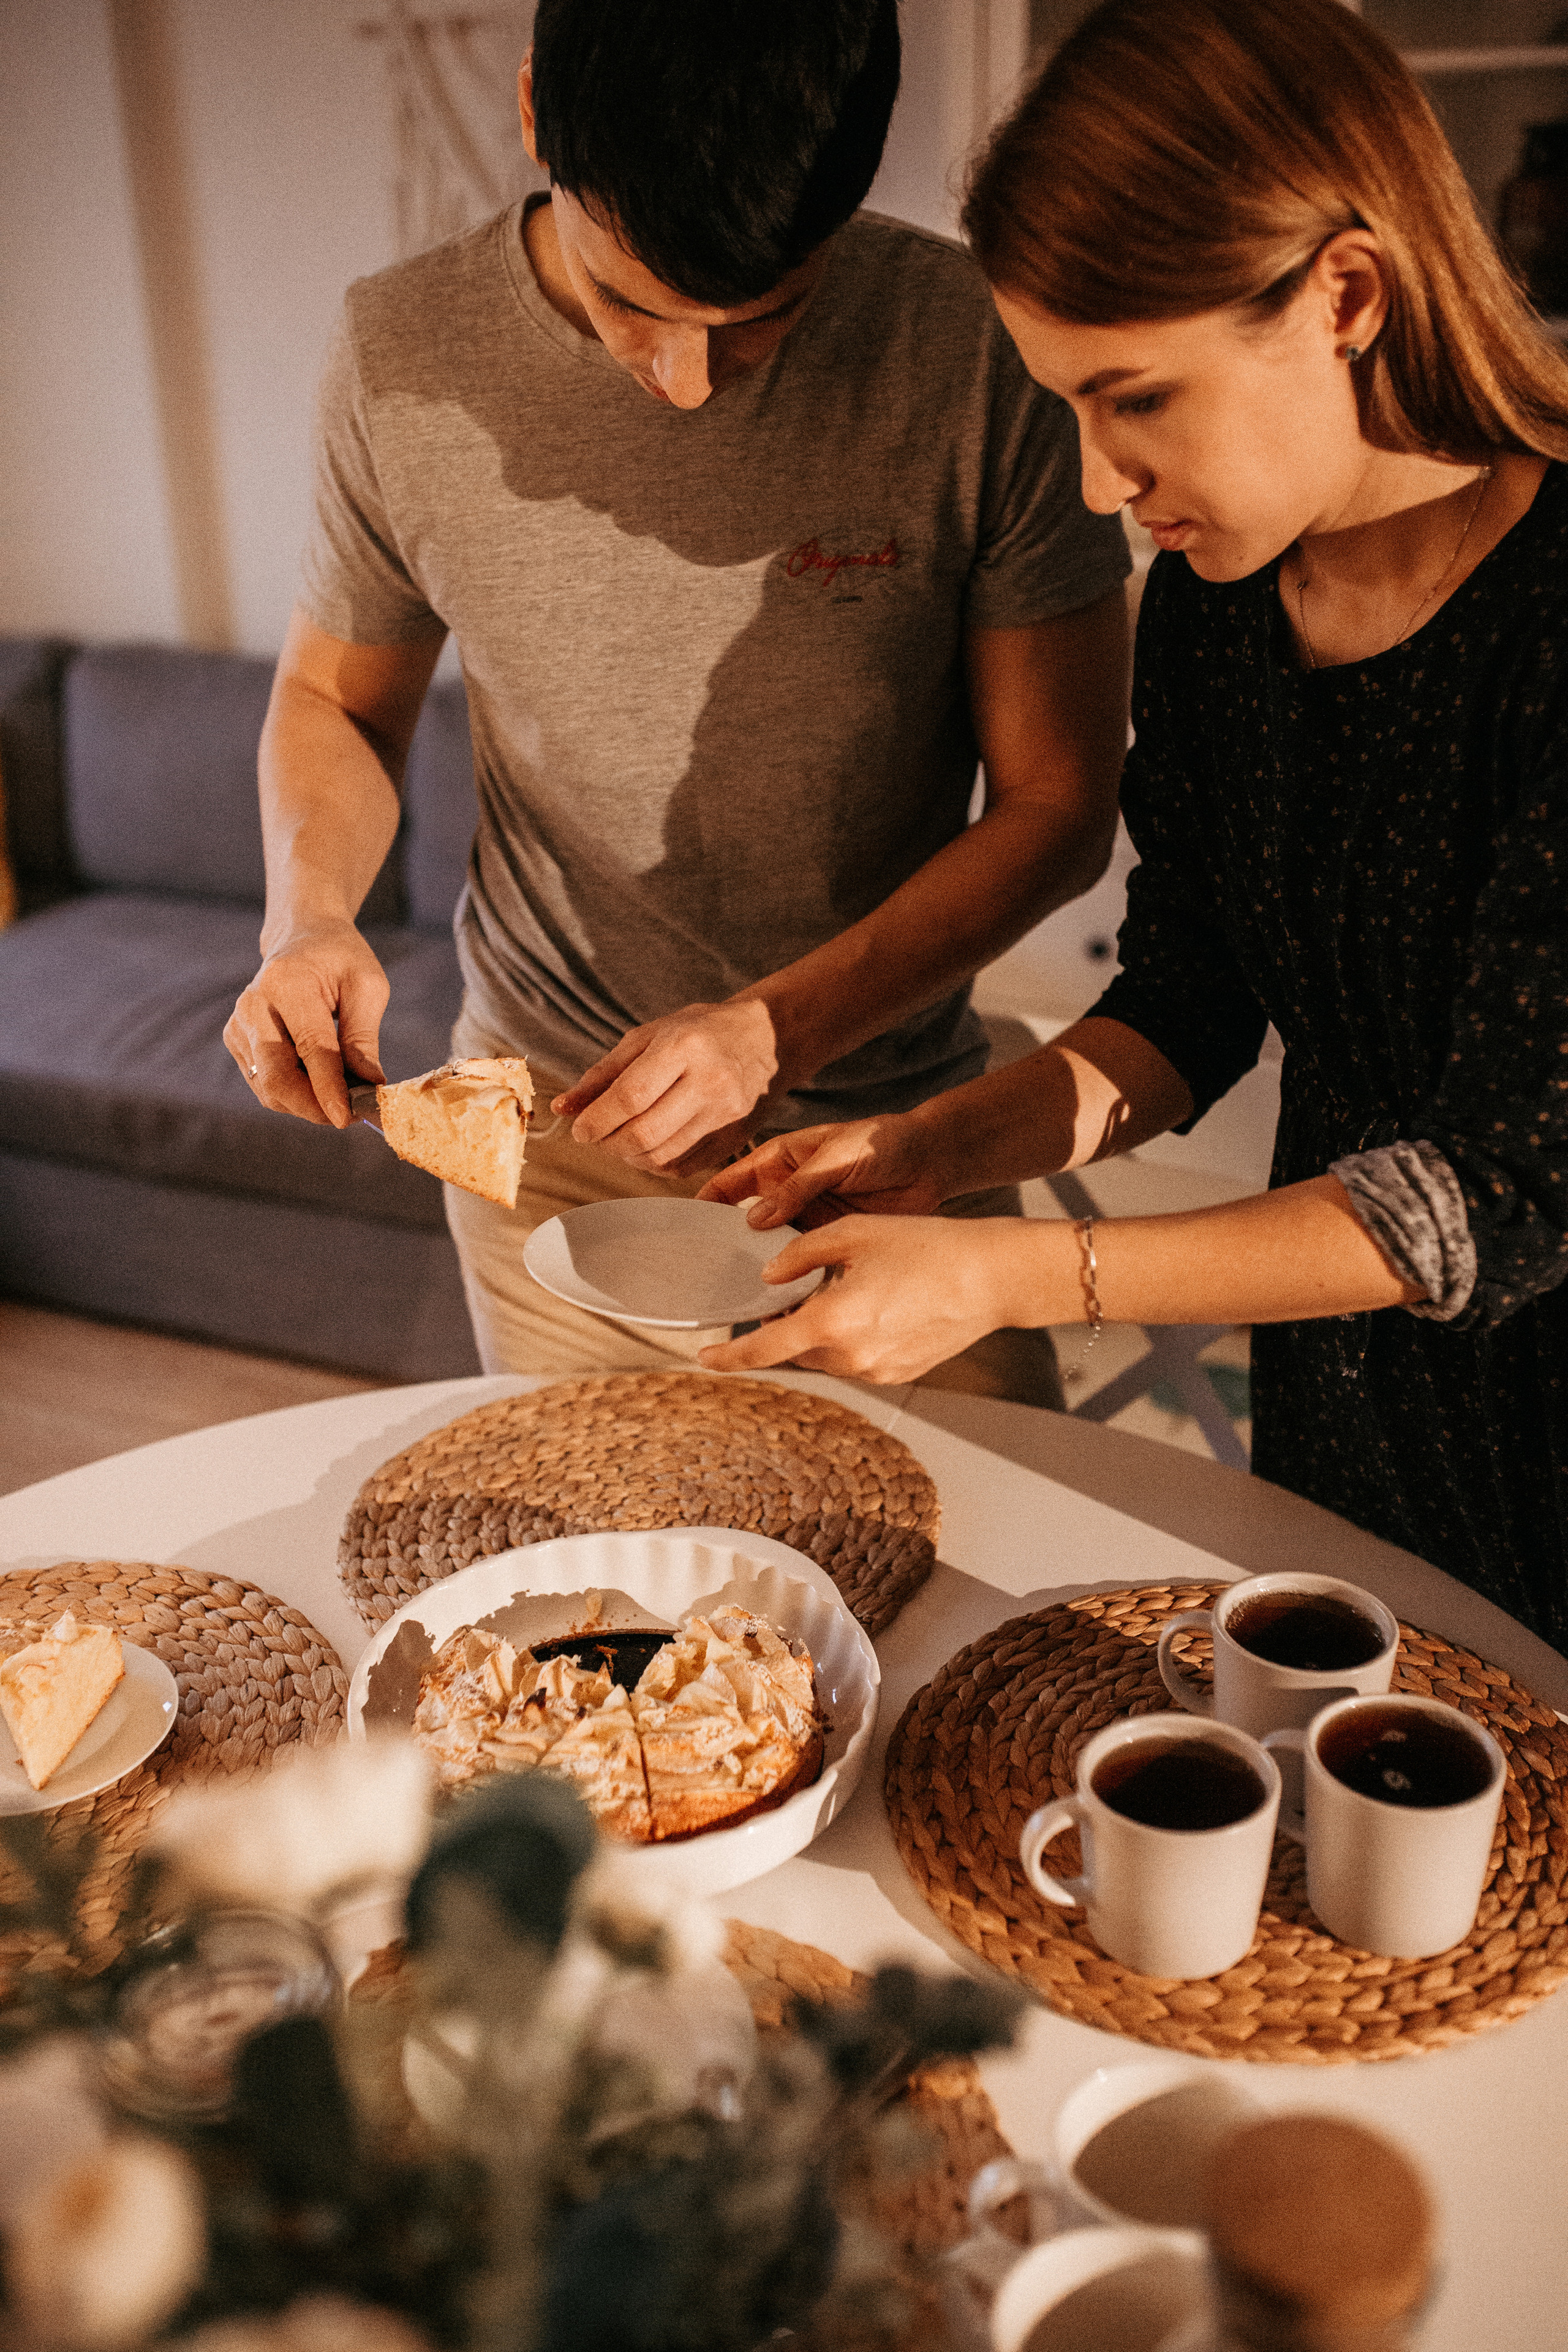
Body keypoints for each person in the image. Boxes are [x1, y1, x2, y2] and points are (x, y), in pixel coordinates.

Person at [701, 0, 1568, 1647]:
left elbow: (1498, 1192)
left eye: (1138, 400)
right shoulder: (1224, 606)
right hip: (1346, 1403)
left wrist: (1009, 1280)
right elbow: (1187, 1001)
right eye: (1070, 412)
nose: (1104, 484)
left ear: (1348, 296)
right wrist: (937, 1154)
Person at [222, 0, 1132, 1407]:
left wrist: (777, 1028)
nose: (689, 383)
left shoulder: (972, 347)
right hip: (548, 1146)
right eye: (631, 304)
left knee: (980, 1598)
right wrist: (310, 919)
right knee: (600, 1607)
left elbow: (1058, 803)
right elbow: (336, 703)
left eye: (765, 320)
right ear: (537, 114)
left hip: (886, 1143)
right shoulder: (399, 353)